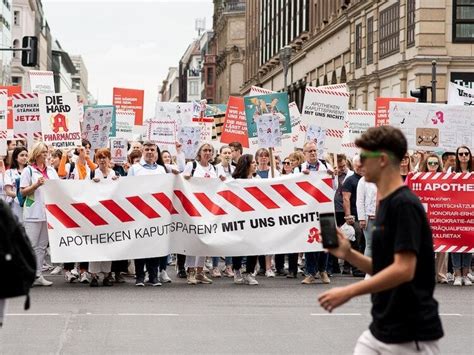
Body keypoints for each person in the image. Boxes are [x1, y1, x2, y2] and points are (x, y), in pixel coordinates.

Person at [318, 126, 443, 354]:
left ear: (383, 159)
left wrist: (348, 291)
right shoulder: (386, 203)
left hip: (409, 334)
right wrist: (348, 253)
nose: (359, 163)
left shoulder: (404, 205)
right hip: (382, 327)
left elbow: (404, 270)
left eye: (365, 157)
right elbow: (384, 268)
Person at [128, 141, 172, 287]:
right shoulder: (135, 169)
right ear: (142, 151)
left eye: (152, 150)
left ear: (156, 152)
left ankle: (154, 276)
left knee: (155, 245)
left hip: (157, 214)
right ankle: (140, 276)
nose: (149, 152)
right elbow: (127, 189)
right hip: (139, 212)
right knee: (140, 245)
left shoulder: (161, 169)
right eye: (146, 149)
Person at [19, 142, 60, 286]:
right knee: (31, 245)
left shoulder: (51, 171)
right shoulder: (28, 171)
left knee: (42, 246)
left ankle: (38, 275)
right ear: (36, 154)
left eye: (46, 152)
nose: (46, 154)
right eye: (43, 152)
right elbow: (22, 191)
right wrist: (36, 185)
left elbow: (58, 188)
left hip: (48, 213)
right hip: (32, 213)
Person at [296, 141, 333, 285]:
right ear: (304, 154)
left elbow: (334, 188)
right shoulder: (299, 168)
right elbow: (294, 188)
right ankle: (311, 272)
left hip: (325, 208)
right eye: (309, 151)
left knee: (327, 241)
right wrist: (301, 176)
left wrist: (331, 176)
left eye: (314, 150)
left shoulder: (326, 167)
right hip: (308, 210)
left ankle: (323, 270)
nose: (313, 153)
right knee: (310, 241)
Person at [182, 143, 218, 285]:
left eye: (210, 150)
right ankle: (190, 270)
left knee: (205, 240)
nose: (207, 153)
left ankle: (199, 271)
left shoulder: (214, 168)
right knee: (193, 239)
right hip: (194, 207)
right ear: (200, 152)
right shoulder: (192, 165)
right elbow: (183, 179)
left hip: (208, 209)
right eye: (205, 150)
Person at [88, 149, 119, 287]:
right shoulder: (92, 173)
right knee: (95, 245)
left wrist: (118, 182)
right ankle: (93, 275)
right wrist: (90, 183)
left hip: (110, 215)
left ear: (109, 159)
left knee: (108, 245)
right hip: (95, 215)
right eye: (100, 157)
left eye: (105, 157)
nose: (102, 160)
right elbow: (82, 190)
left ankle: (107, 274)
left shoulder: (115, 174)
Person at [231, 154, 259, 285]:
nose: (255, 164)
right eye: (253, 162)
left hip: (254, 217)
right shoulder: (234, 181)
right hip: (239, 217)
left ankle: (249, 272)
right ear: (246, 165)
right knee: (238, 245)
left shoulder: (258, 179)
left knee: (254, 245)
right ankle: (236, 270)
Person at [212, 145, 234, 278]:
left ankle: (229, 266)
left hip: (230, 207)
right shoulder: (215, 169)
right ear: (220, 155)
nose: (227, 155)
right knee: (217, 237)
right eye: (225, 152)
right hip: (217, 206)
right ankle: (215, 266)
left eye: (229, 153)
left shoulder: (235, 169)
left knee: (229, 238)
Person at [451, 145, 473, 286]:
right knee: (455, 243)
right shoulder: (451, 171)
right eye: (461, 154)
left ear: (470, 156)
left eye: (466, 153)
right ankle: (457, 275)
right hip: (454, 211)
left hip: (470, 212)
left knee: (468, 242)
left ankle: (465, 274)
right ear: (457, 156)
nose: (464, 156)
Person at [342, 155, 365, 277]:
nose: (361, 168)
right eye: (358, 165)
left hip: (367, 215)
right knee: (357, 240)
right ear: (354, 166)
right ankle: (356, 269)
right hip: (355, 216)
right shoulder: (350, 180)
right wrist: (348, 215)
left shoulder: (369, 179)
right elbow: (346, 199)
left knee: (366, 242)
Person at [3, 147, 29, 222]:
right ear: (15, 158)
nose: (25, 157)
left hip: (29, 205)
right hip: (15, 205)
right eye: (22, 155)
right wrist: (22, 196)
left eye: (26, 155)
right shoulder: (9, 172)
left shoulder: (31, 171)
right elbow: (8, 192)